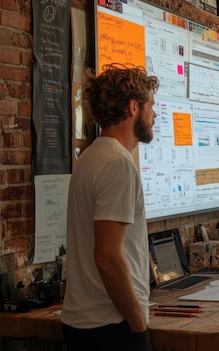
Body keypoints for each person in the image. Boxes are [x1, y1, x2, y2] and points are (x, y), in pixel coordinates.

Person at [61, 64, 159, 351]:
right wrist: (138, 322)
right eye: (150, 107)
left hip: (84, 325)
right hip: (112, 327)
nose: (154, 115)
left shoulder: (91, 157)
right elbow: (107, 257)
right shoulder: (117, 165)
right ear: (133, 108)